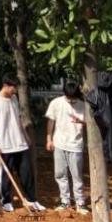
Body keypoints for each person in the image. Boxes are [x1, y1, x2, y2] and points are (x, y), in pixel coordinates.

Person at [0, 74, 44, 212]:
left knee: (26, 173)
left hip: (20, 143)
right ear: (5, 85)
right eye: (13, 88)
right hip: (4, 145)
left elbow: (18, 119)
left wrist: (25, 136)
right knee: (6, 175)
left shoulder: (14, 99)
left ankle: (32, 200)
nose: (15, 90)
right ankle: (6, 201)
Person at [45, 81, 88, 214]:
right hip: (59, 143)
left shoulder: (83, 105)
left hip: (75, 145)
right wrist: (49, 139)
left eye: (73, 98)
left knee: (77, 175)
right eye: (69, 98)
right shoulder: (56, 103)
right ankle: (65, 201)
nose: (71, 101)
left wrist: (81, 121)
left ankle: (80, 203)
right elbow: (51, 121)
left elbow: (90, 123)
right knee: (60, 174)